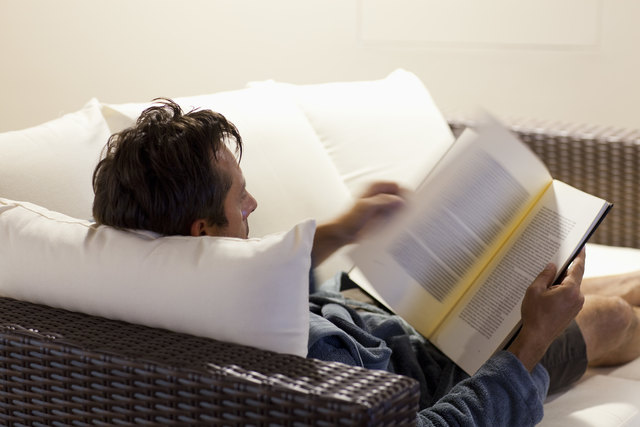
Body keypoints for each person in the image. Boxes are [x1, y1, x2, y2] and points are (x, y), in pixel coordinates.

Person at [92, 99, 640, 426]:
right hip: (462, 360)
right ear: (201, 231)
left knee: (611, 280)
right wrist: (533, 341)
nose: (253, 206)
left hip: (386, 307)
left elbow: (278, 287)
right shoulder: (282, 357)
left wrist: (341, 231)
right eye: (240, 199)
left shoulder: (171, 280)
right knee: (613, 314)